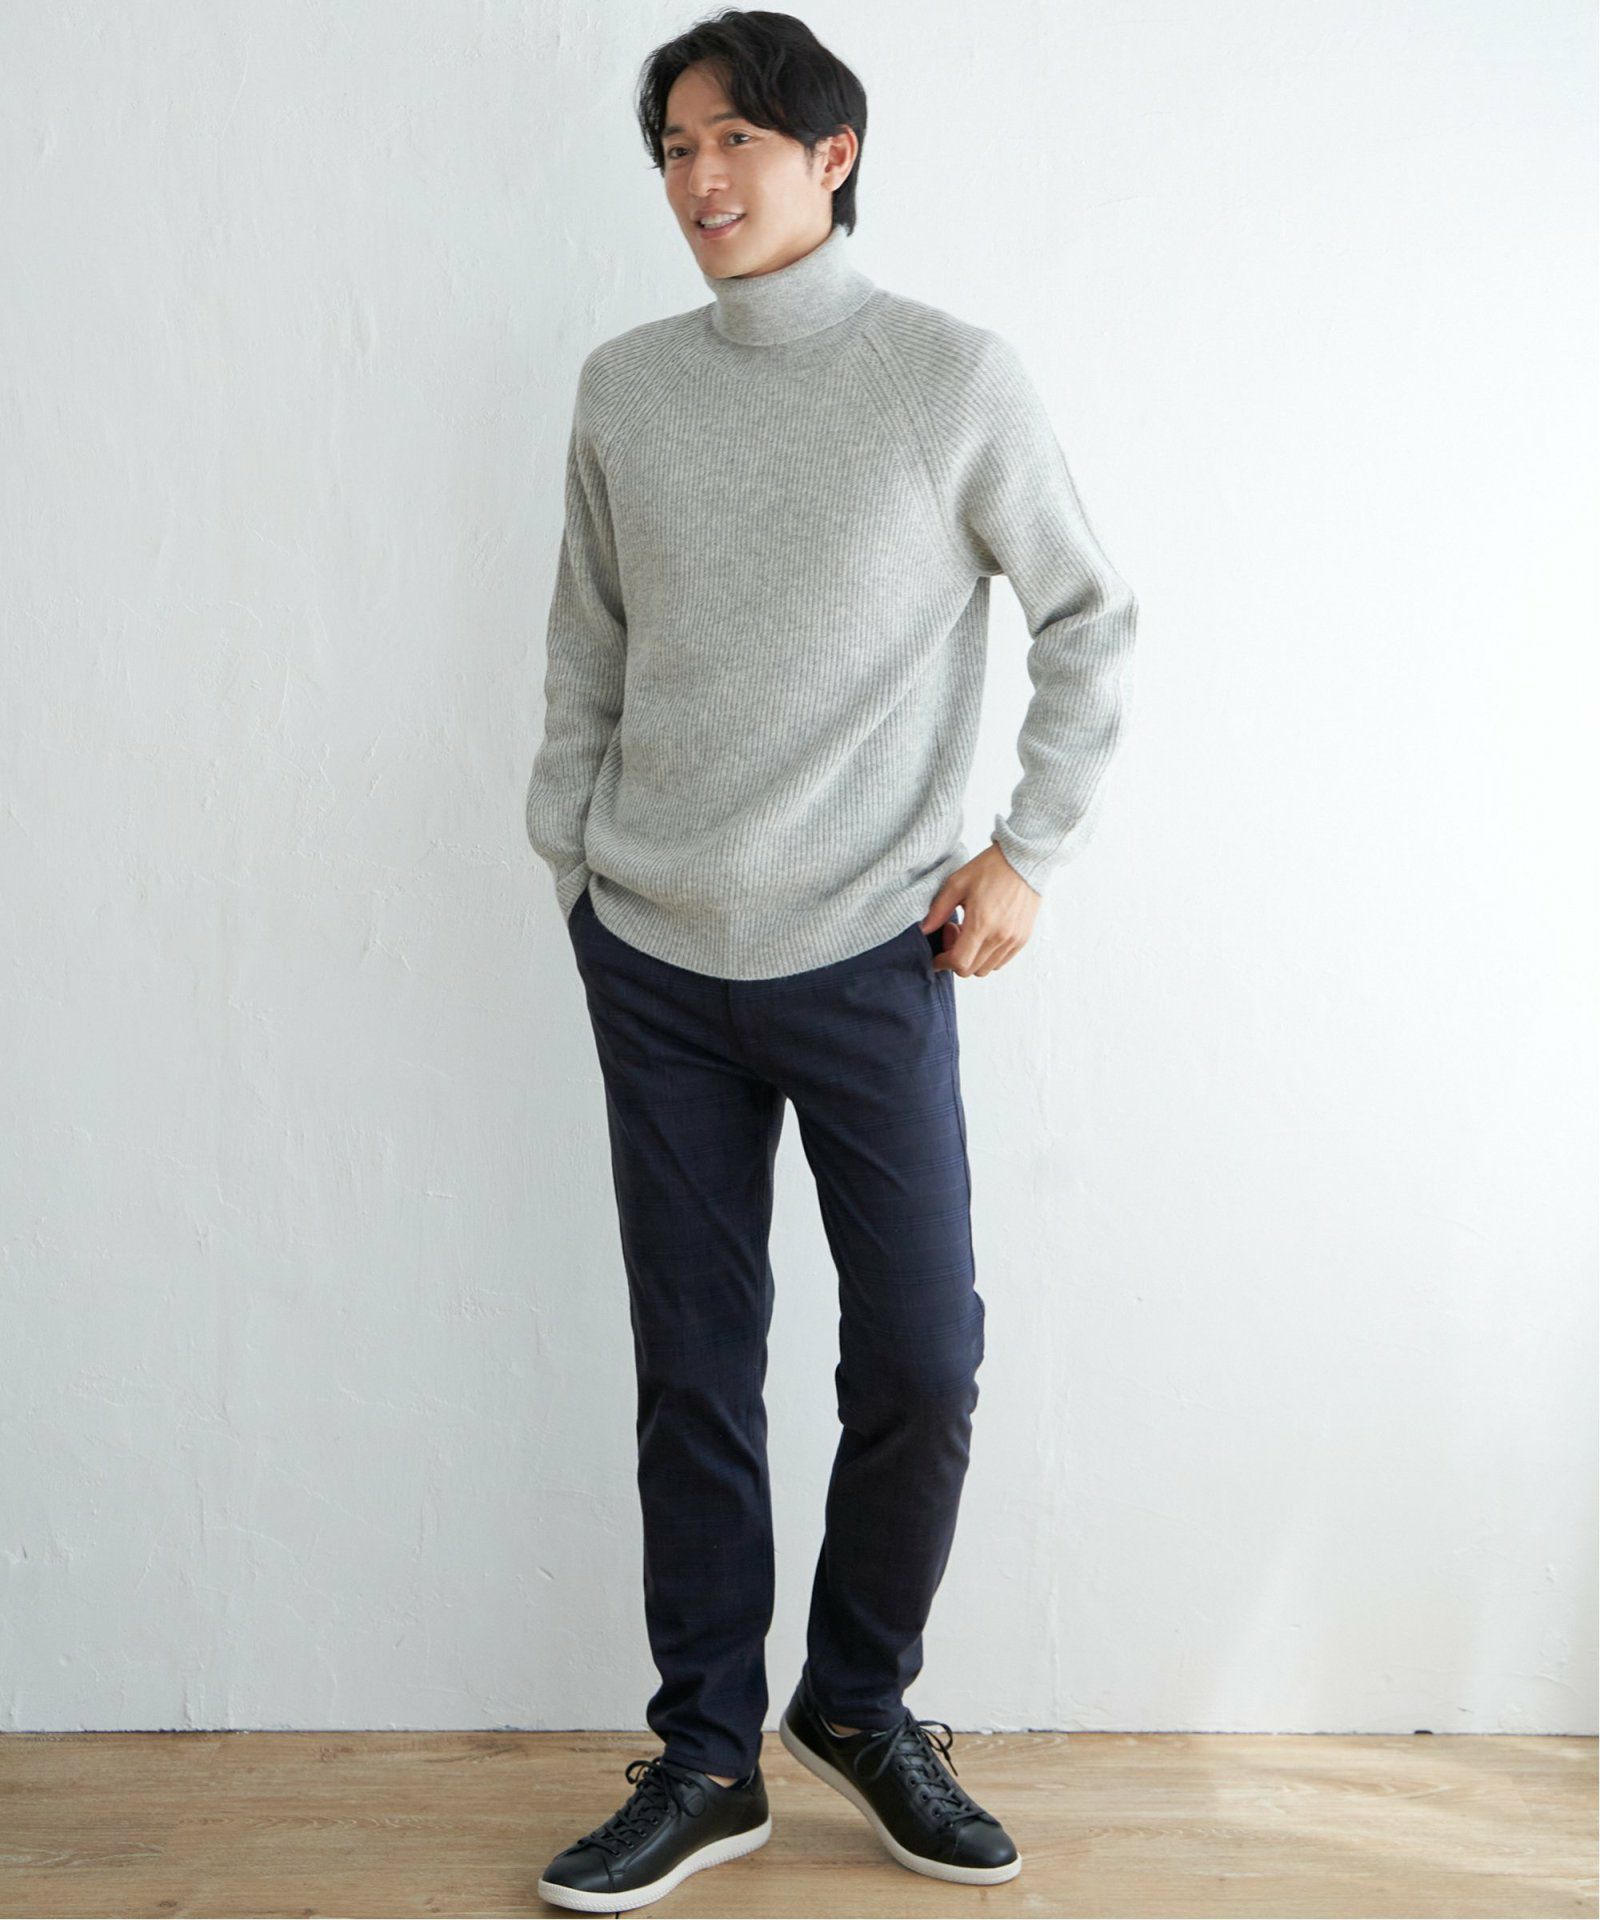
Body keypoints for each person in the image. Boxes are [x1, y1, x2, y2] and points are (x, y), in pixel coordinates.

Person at [526, 9, 1137, 1911]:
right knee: (696, 1374)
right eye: (674, 152)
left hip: (874, 949)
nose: (700, 181)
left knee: (926, 1358)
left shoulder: (949, 377)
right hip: (652, 954)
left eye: (734, 141)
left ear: (832, 153)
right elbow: (588, 648)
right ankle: (708, 1755)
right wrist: (570, 863)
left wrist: (1030, 850)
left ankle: (857, 1705)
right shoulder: (628, 387)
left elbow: (1091, 617)